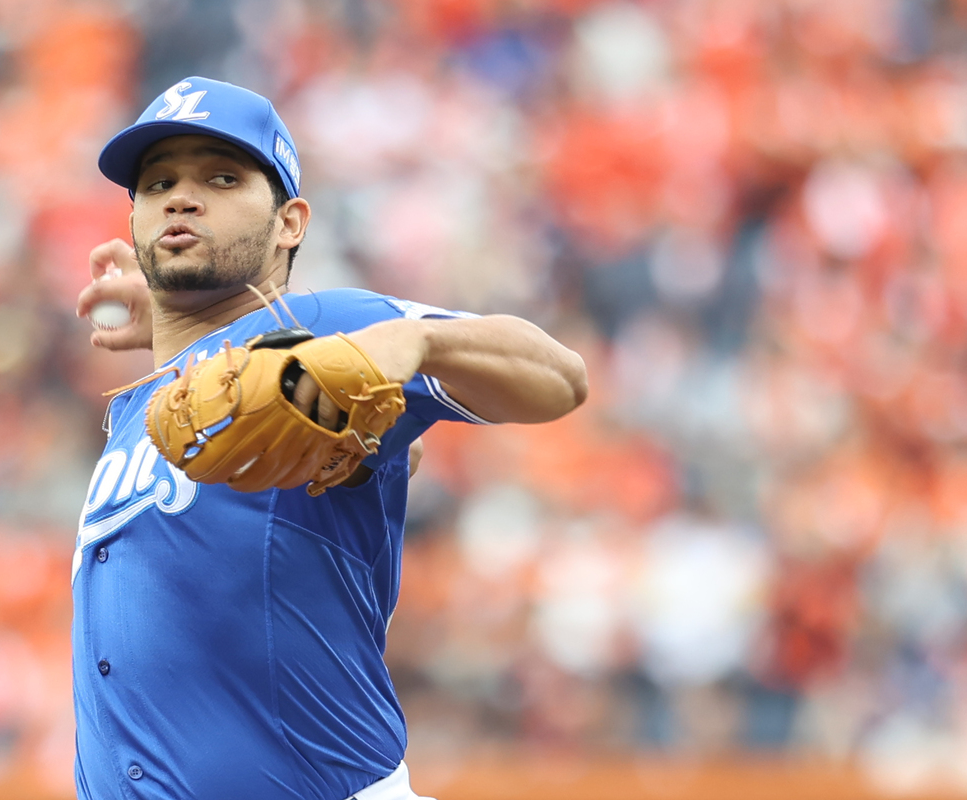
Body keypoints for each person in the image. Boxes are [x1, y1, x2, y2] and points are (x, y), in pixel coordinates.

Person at [72, 77, 587, 800]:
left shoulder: (313, 330)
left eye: (222, 178)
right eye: (158, 184)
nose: (182, 198)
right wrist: (170, 328)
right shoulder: (149, 402)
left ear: (289, 222)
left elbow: (561, 376)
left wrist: (418, 343)